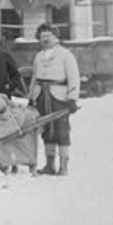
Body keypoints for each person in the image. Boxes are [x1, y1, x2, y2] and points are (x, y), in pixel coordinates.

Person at [28, 23, 80, 176]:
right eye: (42, 37)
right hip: (42, 96)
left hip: (59, 97)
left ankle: (63, 167)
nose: (45, 39)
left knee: (61, 130)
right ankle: (50, 165)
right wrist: (31, 98)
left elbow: (74, 77)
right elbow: (34, 78)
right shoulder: (38, 56)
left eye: (48, 36)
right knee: (46, 130)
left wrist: (72, 98)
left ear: (55, 37)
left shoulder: (65, 55)